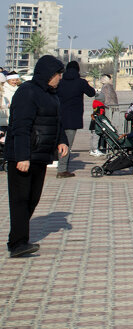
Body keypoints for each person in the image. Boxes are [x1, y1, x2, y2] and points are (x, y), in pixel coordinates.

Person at [5, 56, 69, 258]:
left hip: (40, 155)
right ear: (48, 74)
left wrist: (61, 140)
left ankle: (19, 238)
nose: (60, 78)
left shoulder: (52, 94)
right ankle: (17, 243)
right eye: (58, 74)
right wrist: (22, 156)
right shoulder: (28, 92)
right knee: (20, 200)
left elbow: (56, 121)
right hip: (23, 156)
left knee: (32, 198)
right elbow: (21, 127)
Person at [53, 60, 95, 178]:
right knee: (67, 144)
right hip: (73, 119)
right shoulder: (80, 82)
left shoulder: (60, 82)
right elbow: (91, 93)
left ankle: (58, 164)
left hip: (58, 117)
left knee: (58, 142)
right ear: (78, 70)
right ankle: (62, 170)